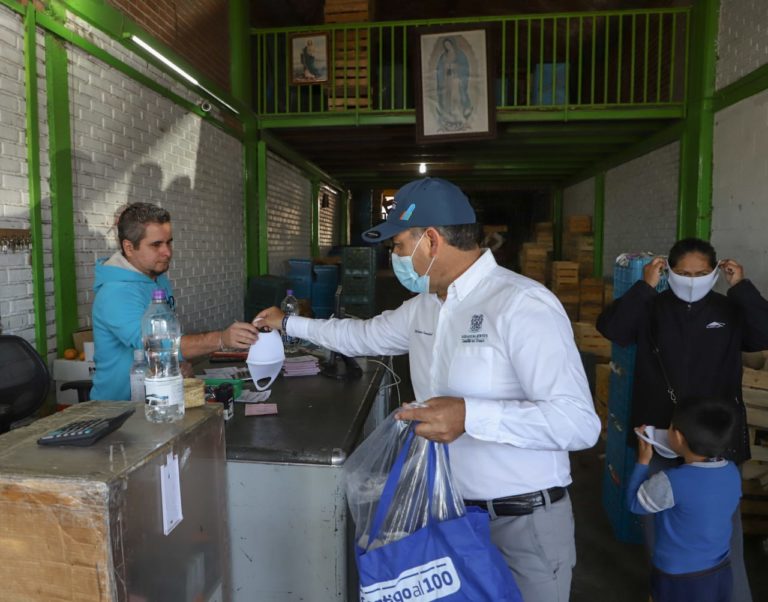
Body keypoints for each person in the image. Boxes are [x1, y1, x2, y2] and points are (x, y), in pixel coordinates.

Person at [255, 177, 601, 602]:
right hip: (448, 517)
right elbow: (364, 336)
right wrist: (288, 324)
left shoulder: (521, 305)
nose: (397, 258)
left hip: (519, 525)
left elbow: (579, 424)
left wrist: (469, 415)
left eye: (399, 246)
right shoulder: (426, 306)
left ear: (431, 240)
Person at [597, 237, 768, 602]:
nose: (692, 280)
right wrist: (644, 285)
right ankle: (667, 590)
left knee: (722, 529)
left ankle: (732, 595)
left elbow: (763, 332)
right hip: (662, 435)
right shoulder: (652, 307)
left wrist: (742, 287)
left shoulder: (729, 310)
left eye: (702, 273)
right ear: (667, 271)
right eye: (684, 273)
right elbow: (613, 329)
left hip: (715, 439)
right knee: (656, 524)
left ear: (717, 271)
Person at [91, 202, 259, 401]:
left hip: (160, 400)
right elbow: (156, 345)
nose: (167, 252)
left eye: (169, 242)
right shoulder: (115, 293)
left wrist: (178, 363)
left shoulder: (157, 278)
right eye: (156, 245)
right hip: (121, 410)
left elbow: (168, 336)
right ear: (129, 247)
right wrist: (221, 339)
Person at [628, 398, 742, 602]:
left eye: (671, 428)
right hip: (720, 571)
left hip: (678, 579)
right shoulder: (732, 471)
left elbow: (635, 503)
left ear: (679, 438)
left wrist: (643, 461)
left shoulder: (672, 481)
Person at [436, 37, 472, 130]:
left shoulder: (459, 55)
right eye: (445, 45)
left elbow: (464, 67)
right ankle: (449, 114)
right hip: (447, 79)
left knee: (456, 96)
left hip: (456, 79)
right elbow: (440, 69)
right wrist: (446, 68)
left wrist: (454, 67)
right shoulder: (444, 56)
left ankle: (458, 113)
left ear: (452, 44)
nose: (447, 46)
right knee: (448, 96)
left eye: (448, 44)